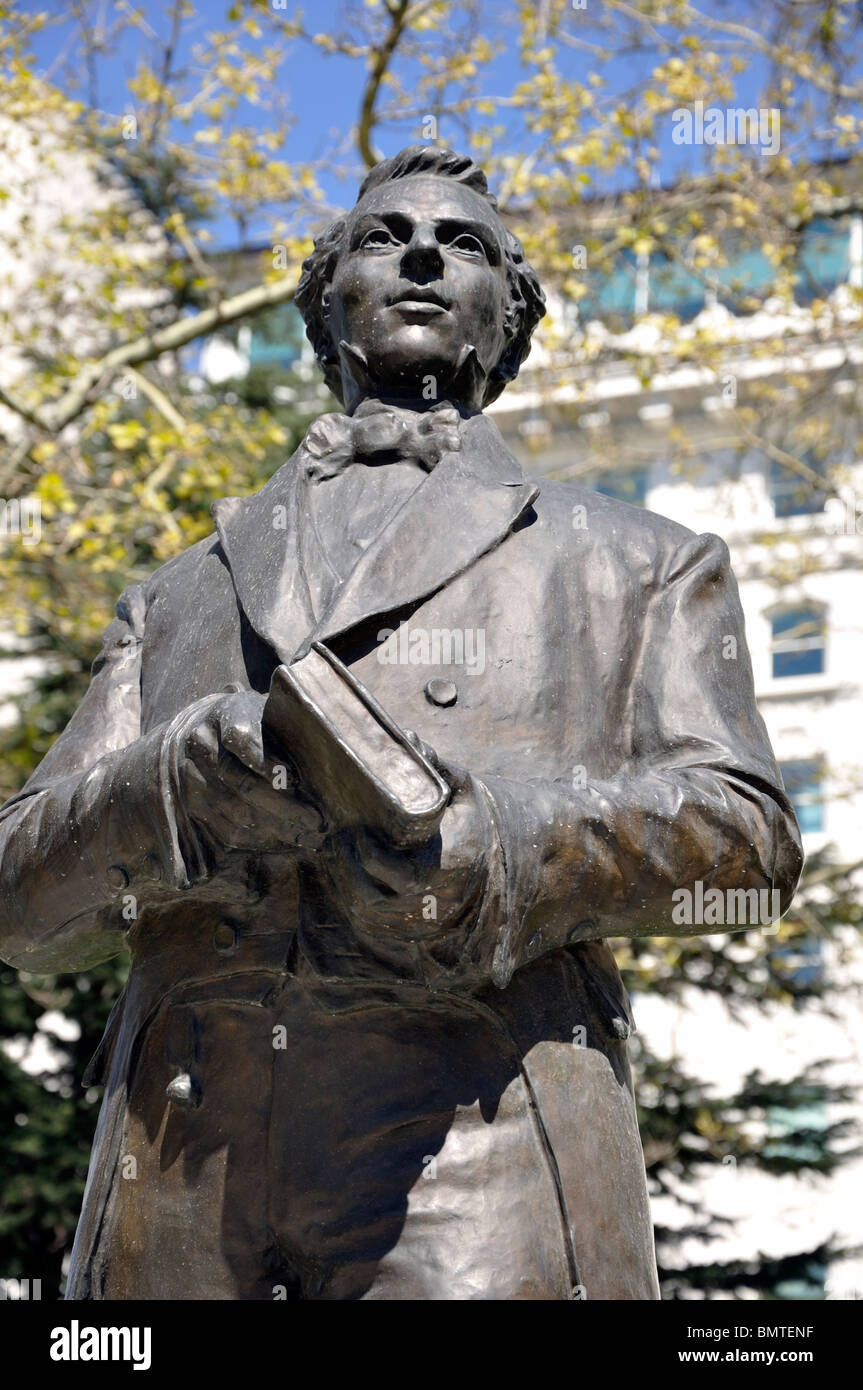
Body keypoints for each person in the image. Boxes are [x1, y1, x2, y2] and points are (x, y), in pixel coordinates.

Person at [0, 146, 802, 1300]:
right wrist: (168, 789)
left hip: (484, 1147)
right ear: (325, 304)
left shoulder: (637, 562)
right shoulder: (176, 592)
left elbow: (748, 842)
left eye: (464, 244)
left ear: (505, 320)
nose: (422, 252)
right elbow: (20, 902)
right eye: (382, 237)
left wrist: (499, 848)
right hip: (176, 1176)